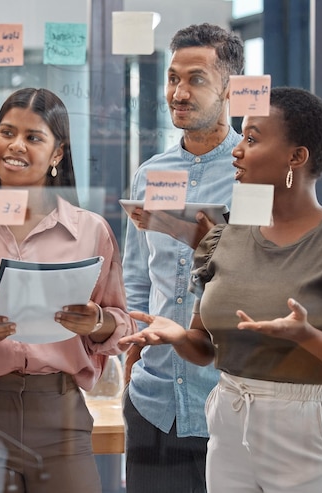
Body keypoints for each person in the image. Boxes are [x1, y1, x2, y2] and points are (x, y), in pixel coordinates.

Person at [119, 86, 322, 493]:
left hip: (309, 432)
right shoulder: (224, 239)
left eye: (252, 140)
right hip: (229, 423)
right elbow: (205, 349)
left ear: (297, 157)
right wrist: (179, 337)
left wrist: (308, 337)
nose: (238, 150)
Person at [0, 87, 136, 493]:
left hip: (61, 413)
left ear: (57, 153)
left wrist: (98, 322)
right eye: (6, 132)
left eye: (33, 137)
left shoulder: (90, 231)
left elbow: (121, 326)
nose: (15, 146)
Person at [121, 23, 244, 492]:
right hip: (153, 403)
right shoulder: (151, 174)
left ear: (229, 88)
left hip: (227, 404)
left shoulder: (251, 175)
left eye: (196, 79)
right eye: (173, 78)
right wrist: (133, 350)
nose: (178, 91)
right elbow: (136, 275)